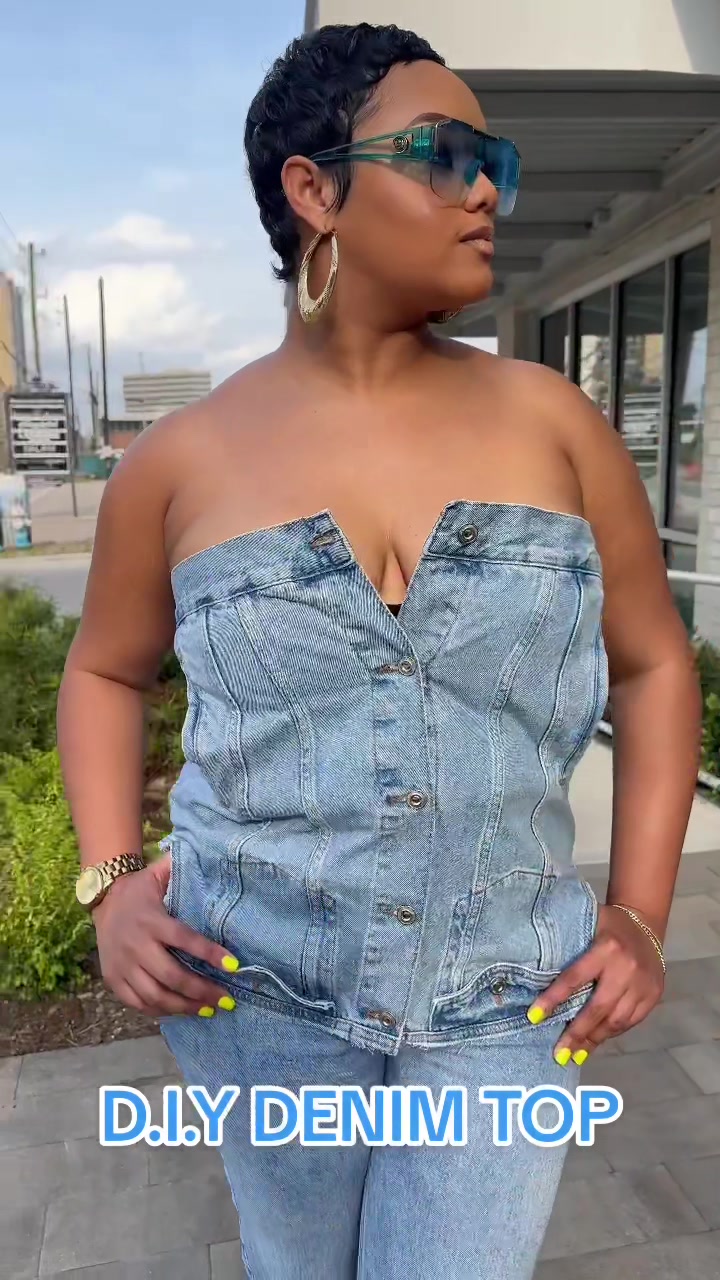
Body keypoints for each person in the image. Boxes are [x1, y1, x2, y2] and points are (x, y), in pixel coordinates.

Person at [57, 22, 701, 1279]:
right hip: (253, 988)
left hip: (510, 996)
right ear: (314, 189)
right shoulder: (179, 460)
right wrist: (114, 881)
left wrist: (640, 910)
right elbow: (104, 668)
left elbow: (654, 662)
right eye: (446, 155)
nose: (485, 190)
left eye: (496, 164)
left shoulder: (556, 423)